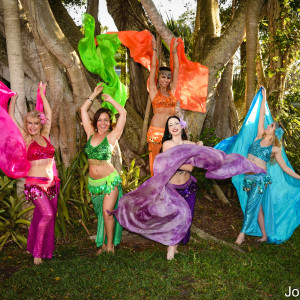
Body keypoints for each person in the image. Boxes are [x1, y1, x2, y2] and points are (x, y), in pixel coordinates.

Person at [235, 87, 300, 245]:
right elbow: (261, 115)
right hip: (248, 177)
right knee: (257, 208)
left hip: (259, 179)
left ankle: (241, 235)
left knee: (251, 204)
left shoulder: (274, 149)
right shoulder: (258, 136)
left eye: (271, 126)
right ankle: (264, 235)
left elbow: (285, 168)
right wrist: (263, 97)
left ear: (274, 132)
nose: (268, 126)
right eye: (269, 125)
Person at [8, 82, 59, 265]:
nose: (32, 126)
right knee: (47, 215)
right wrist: (13, 100)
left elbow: (50, 113)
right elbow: (11, 118)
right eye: (29, 123)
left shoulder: (45, 135)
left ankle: (41, 249)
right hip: (35, 185)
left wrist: (41, 94)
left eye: (35, 123)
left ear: (40, 123)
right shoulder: (26, 137)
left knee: (45, 217)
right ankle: (37, 254)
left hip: (51, 185)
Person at [81, 84, 126, 254]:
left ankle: (110, 247)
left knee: (108, 212)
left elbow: (123, 113)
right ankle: (103, 243)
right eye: (100, 120)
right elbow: (83, 110)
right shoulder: (90, 133)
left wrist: (111, 100)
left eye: (106, 120)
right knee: (101, 214)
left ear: (110, 122)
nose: (103, 123)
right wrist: (94, 94)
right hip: (94, 183)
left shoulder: (112, 136)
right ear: (96, 122)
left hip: (109, 180)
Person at [161, 116, 203, 259]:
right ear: (168, 129)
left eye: (176, 123)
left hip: (188, 187)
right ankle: (170, 249)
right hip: (172, 187)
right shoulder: (167, 144)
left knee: (185, 217)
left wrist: (199, 148)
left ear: (182, 126)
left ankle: (174, 246)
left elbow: (191, 167)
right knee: (174, 216)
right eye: (170, 124)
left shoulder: (190, 143)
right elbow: (170, 164)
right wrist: (187, 157)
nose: (174, 126)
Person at [147, 36, 180, 176]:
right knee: (155, 161)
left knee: (171, 161)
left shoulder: (172, 92)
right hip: (156, 131)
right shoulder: (154, 91)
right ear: (158, 78)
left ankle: (169, 189)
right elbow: (153, 67)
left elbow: (177, 68)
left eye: (168, 77)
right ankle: (155, 190)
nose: (166, 80)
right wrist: (154, 49)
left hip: (170, 132)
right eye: (163, 76)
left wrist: (174, 51)